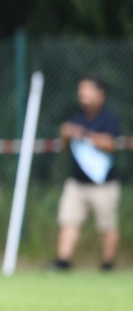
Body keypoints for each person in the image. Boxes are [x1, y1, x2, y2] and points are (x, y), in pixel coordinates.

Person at [52, 75, 121, 271]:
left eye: (87, 90)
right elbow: (67, 146)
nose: (82, 94)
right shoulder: (77, 116)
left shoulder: (109, 118)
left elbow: (110, 143)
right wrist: (66, 135)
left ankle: (107, 264)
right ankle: (63, 262)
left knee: (107, 225)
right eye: (81, 90)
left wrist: (81, 133)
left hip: (103, 183)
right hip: (77, 182)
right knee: (68, 221)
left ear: (100, 94)